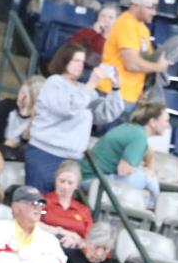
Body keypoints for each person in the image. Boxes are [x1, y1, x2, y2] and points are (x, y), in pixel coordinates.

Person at [25, 43, 124, 192]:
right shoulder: (54, 83)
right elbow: (68, 109)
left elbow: (105, 113)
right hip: (45, 153)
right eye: (76, 60)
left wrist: (116, 89)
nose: (80, 65)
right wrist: (91, 83)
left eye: (82, 61)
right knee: (38, 199)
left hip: (72, 159)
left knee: (61, 202)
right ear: (64, 60)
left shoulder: (85, 90)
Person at [80, 101, 170, 209]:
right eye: (166, 120)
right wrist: (143, 173)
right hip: (93, 181)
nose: (167, 125)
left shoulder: (130, 128)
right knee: (150, 178)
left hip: (88, 178)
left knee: (146, 177)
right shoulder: (139, 136)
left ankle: (147, 202)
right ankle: (154, 207)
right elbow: (123, 171)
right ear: (153, 122)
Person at [98, 0, 169, 111]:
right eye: (150, 8)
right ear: (135, 6)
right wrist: (158, 67)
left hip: (130, 96)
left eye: (155, 8)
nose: (154, 12)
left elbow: (145, 59)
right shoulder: (126, 24)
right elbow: (132, 64)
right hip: (113, 95)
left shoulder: (143, 29)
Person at [0, 75, 45, 162]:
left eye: (26, 96)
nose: (21, 98)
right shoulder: (5, 106)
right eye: (21, 92)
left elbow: (27, 141)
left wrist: (32, 117)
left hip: (21, 156)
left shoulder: (39, 117)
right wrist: (8, 143)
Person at [40, 160, 93, 249]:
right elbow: (33, 223)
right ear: (56, 179)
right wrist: (62, 232)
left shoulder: (83, 210)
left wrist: (77, 241)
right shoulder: (44, 202)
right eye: (62, 181)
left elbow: (89, 239)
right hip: (45, 246)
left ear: (77, 185)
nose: (65, 186)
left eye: (70, 183)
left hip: (74, 250)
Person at [68, 4, 119, 69]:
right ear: (97, 18)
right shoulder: (86, 32)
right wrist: (93, 32)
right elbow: (72, 47)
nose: (106, 20)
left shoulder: (119, 39)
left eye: (110, 17)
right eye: (102, 16)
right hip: (83, 67)